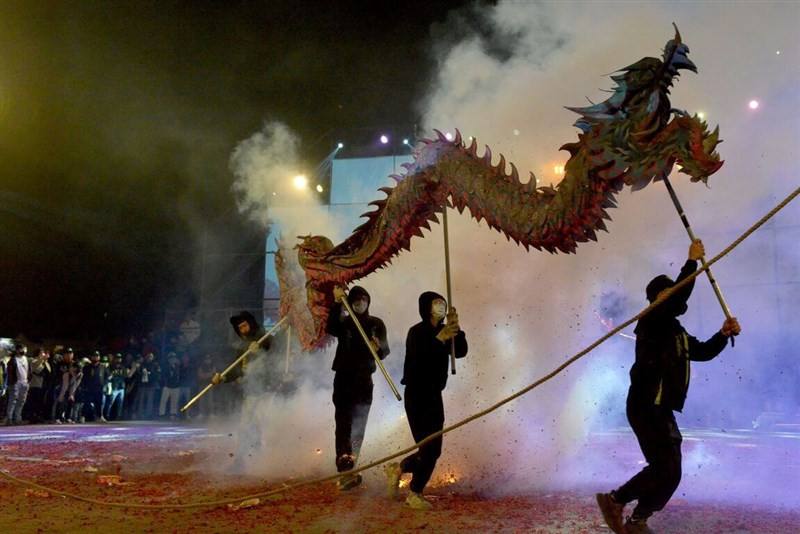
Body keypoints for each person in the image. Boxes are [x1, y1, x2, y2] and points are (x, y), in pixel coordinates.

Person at [596, 240, 741, 534]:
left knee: (671, 472)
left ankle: (638, 520)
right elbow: (675, 299)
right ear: (658, 299)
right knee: (664, 466)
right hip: (646, 404)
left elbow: (701, 351)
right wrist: (691, 263)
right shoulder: (651, 320)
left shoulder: (676, 330)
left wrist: (723, 334)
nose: (676, 298)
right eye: (669, 293)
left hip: (661, 408)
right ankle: (615, 500)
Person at [385, 291, 467, 510]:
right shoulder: (416, 332)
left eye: (443, 303)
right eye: (436, 303)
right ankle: (415, 492)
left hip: (434, 396)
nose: (441, 306)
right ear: (426, 307)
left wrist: (456, 330)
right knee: (428, 448)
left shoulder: (446, 329)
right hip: (416, 395)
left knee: (433, 450)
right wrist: (439, 339)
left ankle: (399, 468)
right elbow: (419, 358)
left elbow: (460, 353)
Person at [327, 285, 390, 491]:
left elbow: (384, 351)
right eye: (356, 300)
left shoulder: (375, 324)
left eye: (364, 300)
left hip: (364, 380)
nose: (360, 303)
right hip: (344, 377)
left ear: (368, 302)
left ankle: (353, 463)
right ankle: (344, 467)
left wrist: (377, 348)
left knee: (359, 425)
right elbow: (331, 326)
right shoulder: (344, 323)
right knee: (343, 422)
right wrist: (337, 303)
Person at [5, 343, 32, 425]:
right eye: (22, 349)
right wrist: (12, 382)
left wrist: (28, 380)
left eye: (25, 349)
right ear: (17, 350)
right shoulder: (13, 360)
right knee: (12, 400)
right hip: (15, 383)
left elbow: (29, 370)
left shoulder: (26, 359)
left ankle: (18, 418)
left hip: (25, 382)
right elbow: (10, 372)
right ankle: (9, 418)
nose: (24, 351)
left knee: (21, 401)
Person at [26, 348, 54, 423]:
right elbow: (35, 367)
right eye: (42, 353)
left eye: (44, 353)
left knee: (41, 401)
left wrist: (45, 361)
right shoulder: (33, 360)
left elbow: (49, 371)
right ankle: (32, 417)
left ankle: (39, 416)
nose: (43, 354)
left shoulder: (45, 362)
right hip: (35, 384)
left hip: (44, 385)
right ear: (38, 354)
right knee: (34, 401)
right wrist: (42, 360)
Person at [81, 351, 109, 422]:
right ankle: (83, 416)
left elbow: (107, 376)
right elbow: (83, 377)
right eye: (94, 356)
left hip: (99, 388)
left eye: (97, 356)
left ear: (99, 357)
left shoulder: (103, 367)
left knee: (99, 403)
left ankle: (99, 416)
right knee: (87, 403)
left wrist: (105, 384)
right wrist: (84, 386)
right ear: (91, 357)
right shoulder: (87, 367)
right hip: (89, 388)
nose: (95, 357)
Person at [159, 353, 181, 420]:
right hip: (167, 386)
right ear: (168, 360)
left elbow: (179, 375)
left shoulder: (178, 366)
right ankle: (161, 414)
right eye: (171, 358)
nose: (172, 360)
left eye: (173, 358)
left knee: (174, 401)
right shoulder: (165, 366)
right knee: (163, 400)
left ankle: (173, 414)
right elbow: (164, 375)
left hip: (176, 386)